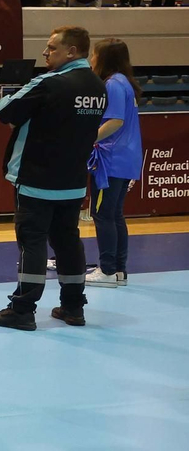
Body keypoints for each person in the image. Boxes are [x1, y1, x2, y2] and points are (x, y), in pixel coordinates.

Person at [0, 27, 106, 331]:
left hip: (37, 179)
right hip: (74, 181)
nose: (45, 53)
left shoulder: (49, 83)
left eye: (51, 48)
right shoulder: (98, 87)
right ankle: (74, 307)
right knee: (68, 242)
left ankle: (22, 310)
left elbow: (3, 110)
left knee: (32, 243)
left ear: (72, 52)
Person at [85, 39, 142, 290]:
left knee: (102, 214)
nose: (92, 59)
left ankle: (107, 270)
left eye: (94, 55)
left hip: (111, 160)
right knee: (114, 214)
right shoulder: (125, 83)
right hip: (124, 157)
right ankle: (118, 268)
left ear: (104, 57)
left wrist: (85, 140)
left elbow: (115, 121)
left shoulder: (113, 84)